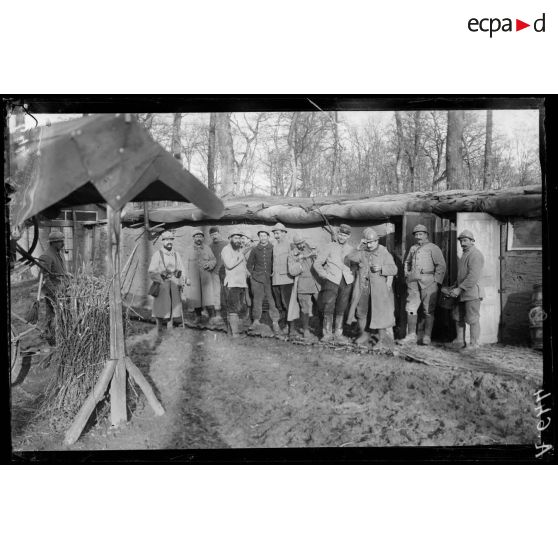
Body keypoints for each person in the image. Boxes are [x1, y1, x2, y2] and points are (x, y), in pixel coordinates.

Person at [346, 228, 398, 348]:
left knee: (380, 312)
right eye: (367, 242)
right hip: (363, 287)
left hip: (378, 288)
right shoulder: (362, 252)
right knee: (361, 311)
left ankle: (382, 339)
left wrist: (381, 268)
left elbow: (394, 269)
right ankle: (364, 334)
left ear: (377, 241)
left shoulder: (383, 252)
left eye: (372, 242)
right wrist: (359, 246)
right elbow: (350, 257)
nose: (370, 245)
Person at [399, 224, 446, 346]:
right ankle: (411, 335)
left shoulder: (433, 248)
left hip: (429, 281)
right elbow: (407, 262)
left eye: (421, 234)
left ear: (426, 235)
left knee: (428, 309)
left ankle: (426, 336)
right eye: (416, 234)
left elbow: (441, 265)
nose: (418, 237)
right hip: (413, 282)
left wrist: (437, 281)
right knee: (410, 307)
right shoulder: (413, 248)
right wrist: (407, 274)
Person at [313, 223, 355, 343]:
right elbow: (317, 263)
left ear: (349, 236)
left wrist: (351, 276)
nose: (342, 237)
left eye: (345, 235)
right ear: (337, 234)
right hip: (332, 281)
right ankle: (327, 334)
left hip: (346, 282)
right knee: (328, 306)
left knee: (341, 308)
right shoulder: (329, 246)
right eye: (340, 234)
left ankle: (338, 333)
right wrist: (324, 275)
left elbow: (355, 266)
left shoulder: (351, 249)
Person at [448, 229, 485, 351]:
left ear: (472, 241)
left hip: (472, 293)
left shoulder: (475, 255)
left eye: (465, 240)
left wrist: (459, 289)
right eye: (461, 241)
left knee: (472, 318)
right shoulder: (464, 254)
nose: (462, 243)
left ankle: (474, 344)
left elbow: (473, 277)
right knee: (458, 316)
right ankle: (460, 341)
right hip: (462, 292)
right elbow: (462, 274)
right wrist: (455, 285)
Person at [148, 230, 187, 333]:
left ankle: (170, 328)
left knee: (172, 307)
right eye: (166, 239)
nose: (169, 242)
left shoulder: (176, 254)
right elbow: (152, 271)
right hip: (162, 284)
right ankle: (159, 329)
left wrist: (182, 280)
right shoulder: (157, 254)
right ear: (162, 241)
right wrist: (160, 279)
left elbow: (181, 268)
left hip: (174, 284)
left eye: (171, 239)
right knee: (160, 307)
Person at [246, 227, 282, 333]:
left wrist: (274, 272)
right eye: (260, 236)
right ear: (259, 237)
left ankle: (275, 322)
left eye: (265, 235)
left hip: (270, 279)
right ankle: (256, 321)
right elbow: (249, 265)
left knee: (272, 300)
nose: (263, 238)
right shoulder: (255, 249)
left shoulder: (273, 248)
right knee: (257, 300)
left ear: (268, 237)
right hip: (257, 279)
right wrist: (252, 276)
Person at [38, 230, 70, 345]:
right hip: (53, 292)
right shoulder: (46, 256)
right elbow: (44, 278)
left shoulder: (58, 254)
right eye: (61, 242)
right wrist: (55, 292)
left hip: (61, 290)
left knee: (57, 314)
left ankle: (50, 334)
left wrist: (67, 275)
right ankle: (52, 338)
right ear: (54, 242)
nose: (63, 244)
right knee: (53, 315)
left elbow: (58, 271)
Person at [287, 233, 319, 340]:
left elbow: (321, 264)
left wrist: (316, 256)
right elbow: (291, 271)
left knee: (323, 306)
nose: (301, 245)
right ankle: (306, 330)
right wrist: (300, 261)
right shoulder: (292, 254)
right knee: (305, 308)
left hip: (316, 283)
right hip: (303, 284)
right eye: (298, 244)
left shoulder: (311, 249)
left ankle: (323, 330)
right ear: (295, 245)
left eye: (302, 243)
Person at [221, 229, 250, 337]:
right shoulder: (226, 250)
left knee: (237, 307)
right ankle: (236, 334)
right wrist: (242, 254)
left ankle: (230, 331)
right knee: (233, 308)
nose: (238, 240)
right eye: (236, 238)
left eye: (239, 238)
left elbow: (241, 265)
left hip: (241, 283)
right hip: (232, 284)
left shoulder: (238, 250)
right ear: (230, 239)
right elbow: (229, 264)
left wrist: (247, 272)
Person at [184, 229, 217, 323]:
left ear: (203, 238)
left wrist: (209, 264)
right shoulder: (188, 249)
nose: (198, 238)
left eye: (200, 236)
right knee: (196, 298)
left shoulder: (207, 248)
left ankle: (212, 317)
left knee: (208, 297)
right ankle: (198, 317)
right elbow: (184, 264)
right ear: (193, 238)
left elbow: (214, 260)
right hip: (193, 278)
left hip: (205, 277)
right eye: (196, 236)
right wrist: (187, 278)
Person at [271, 223, 294, 333]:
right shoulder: (274, 246)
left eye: (278, 233)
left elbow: (294, 261)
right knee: (279, 304)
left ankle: (290, 327)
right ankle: (283, 325)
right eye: (275, 233)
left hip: (286, 279)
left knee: (287, 304)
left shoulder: (290, 245)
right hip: (275, 280)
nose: (276, 235)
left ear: (284, 233)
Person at [208, 226, 229, 324]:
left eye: (215, 234)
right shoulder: (210, 246)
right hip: (214, 273)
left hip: (226, 273)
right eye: (211, 235)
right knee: (216, 293)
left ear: (219, 233)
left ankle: (230, 315)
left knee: (227, 293)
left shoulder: (226, 244)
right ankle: (218, 315)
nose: (214, 237)